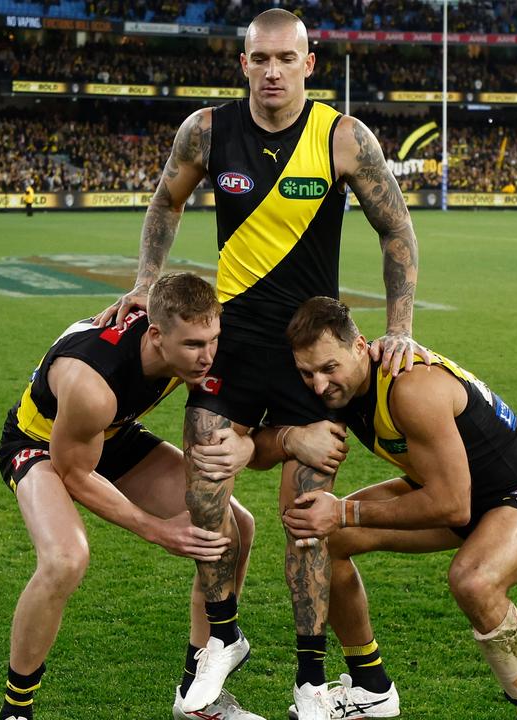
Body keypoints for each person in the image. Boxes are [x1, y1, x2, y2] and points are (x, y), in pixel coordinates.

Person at [95, 9, 432, 718]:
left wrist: (399, 326)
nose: (273, 71)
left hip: (311, 356)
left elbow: (396, 226)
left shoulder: (341, 136)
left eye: (286, 58)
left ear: (310, 64)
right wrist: (145, 281)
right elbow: (166, 199)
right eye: (260, 59)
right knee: (207, 483)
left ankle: (311, 683)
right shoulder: (209, 131)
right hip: (235, 348)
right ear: (242, 63)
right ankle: (223, 639)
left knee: (308, 520)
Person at [274, 297, 517, 720]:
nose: (319, 385)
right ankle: (371, 687)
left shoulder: (411, 387)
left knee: (473, 581)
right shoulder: (338, 387)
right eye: (307, 373)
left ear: (360, 347)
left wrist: (342, 511)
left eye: (328, 369)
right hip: (449, 491)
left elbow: (451, 505)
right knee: (324, 538)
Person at [0, 272, 265, 720]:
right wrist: (157, 531)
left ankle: (196, 697)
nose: (208, 356)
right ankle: (16, 710)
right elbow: (74, 474)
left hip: (113, 434)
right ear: (156, 336)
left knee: (234, 529)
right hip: (40, 444)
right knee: (65, 559)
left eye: (212, 340)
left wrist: (249, 445)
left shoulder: (193, 338)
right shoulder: (91, 383)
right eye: (194, 346)